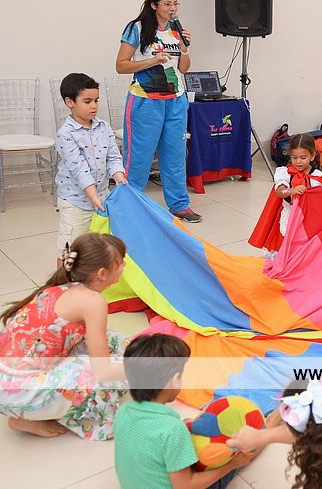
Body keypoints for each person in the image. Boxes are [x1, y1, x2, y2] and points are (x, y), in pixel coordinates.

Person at [0, 233, 128, 440]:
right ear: (102, 273)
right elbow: (102, 370)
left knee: (113, 341)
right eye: (121, 262)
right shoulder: (93, 302)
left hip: (8, 378)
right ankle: (25, 417)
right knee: (102, 370)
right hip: (17, 391)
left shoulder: (63, 286)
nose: (124, 266)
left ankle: (27, 411)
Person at [114, 333, 254, 489]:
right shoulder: (173, 430)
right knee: (240, 455)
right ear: (175, 380)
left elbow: (149, 442)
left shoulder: (122, 411)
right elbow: (186, 486)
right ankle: (269, 426)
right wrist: (233, 464)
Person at [115, 0, 201, 223]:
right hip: (145, 100)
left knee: (175, 155)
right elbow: (121, 65)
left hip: (175, 101)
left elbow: (183, 69)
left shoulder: (176, 30)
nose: (173, 9)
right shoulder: (137, 28)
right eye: (167, 4)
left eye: (176, 4)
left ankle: (179, 205)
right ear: (153, 5)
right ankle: (130, 206)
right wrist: (151, 62)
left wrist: (184, 49)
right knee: (139, 158)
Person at [55, 73, 126, 263]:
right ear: (70, 102)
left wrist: (119, 175)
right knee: (70, 251)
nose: (94, 106)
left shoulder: (104, 127)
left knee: (98, 249)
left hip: (102, 198)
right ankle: (62, 281)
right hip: (75, 203)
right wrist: (94, 197)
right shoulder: (66, 134)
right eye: (87, 101)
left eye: (96, 100)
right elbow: (79, 170)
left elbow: (113, 156)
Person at [274, 133, 322, 236]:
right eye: (294, 157)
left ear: (312, 156)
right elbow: (280, 192)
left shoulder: (316, 175)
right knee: (291, 240)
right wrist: (290, 191)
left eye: (303, 158)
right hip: (291, 217)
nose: (298, 162)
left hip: (311, 217)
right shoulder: (286, 173)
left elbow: (321, 200)